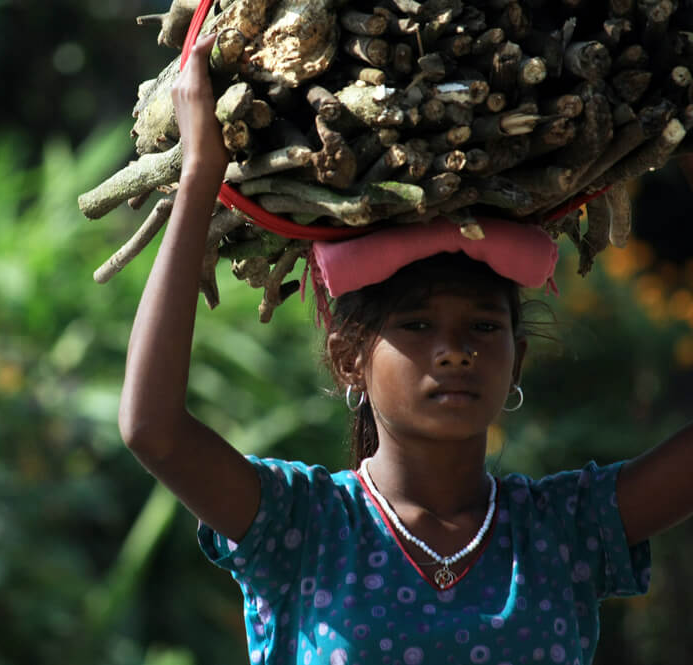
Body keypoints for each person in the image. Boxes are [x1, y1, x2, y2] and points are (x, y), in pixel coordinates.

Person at [118, 33, 693, 665]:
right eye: (417, 327)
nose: (454, 352)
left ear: (516, 361)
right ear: (348, 360)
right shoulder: (303, 526)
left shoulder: (564, 532)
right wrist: (202, 176)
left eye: (482, 328)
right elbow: (154, 430)